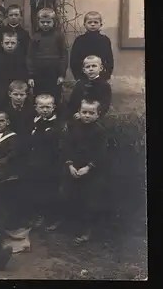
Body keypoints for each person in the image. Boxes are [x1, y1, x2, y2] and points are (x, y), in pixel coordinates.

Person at [52, 99, 108, 244]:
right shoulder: (72, 127)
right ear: (79, 112)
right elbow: (65, 146)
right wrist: (70, 164)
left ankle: (86, 229)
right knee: (65, 194)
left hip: (91, 171)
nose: (87, 115)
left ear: (98, 115)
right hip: (72, 166)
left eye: (91, 113)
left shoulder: (100, 131)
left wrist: (89, 167)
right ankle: (64, 221)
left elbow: (101, 153)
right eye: (84, 112)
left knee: (89, 200)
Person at [24, 94, 62, 229]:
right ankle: (36, 214)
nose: (45, 110)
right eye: (41, 107)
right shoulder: (33, 121)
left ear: (53, 107)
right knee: (34, 189)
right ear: (36, 107)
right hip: (33, 161)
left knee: (49, 191)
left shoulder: (57, 125)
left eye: (48, 107)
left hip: (50, 163)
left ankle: (50, 217)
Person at [27, 8, 68, 105]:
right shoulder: (35, 37)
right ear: (38, 22)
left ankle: (55, 117)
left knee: (55, 97)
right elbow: (30, 57)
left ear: (54, 22)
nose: (45, 24)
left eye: (48, 22)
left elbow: (63, 55)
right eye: (42, 22)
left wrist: (62, 74)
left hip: (54, 74)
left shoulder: (59, 36)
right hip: (39, 74)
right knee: (39, 97)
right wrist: (31, 76)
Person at [0, 28, 29, 108]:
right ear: (2, 44)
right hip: (0, 92)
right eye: (7, 43)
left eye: (12, 43)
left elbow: (24, 76)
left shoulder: (22, 58)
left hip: (17, 93)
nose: (9, 46)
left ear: (17, 43)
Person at [69, 11, 114, 81]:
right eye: (89, 22)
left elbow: (109, 60)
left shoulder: (105, 40)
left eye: (95, 22)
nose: (92, 24)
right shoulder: (79, 40)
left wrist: (107, 75)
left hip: (100, 76)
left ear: (100, 24)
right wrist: (77, 76)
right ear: (84, 24)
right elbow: (74, 60)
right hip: (83, 76)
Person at [66, 55, 112, 121]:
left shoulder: (104, 85)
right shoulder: (80, 84)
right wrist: (75, 114)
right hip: (78, 117)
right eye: (88, 67)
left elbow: (105, 104)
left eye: (94, 66)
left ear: (101, 68)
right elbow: (72, 102)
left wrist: (94, 114)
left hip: (95, 118)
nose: (91, 69)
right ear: (84, 70)